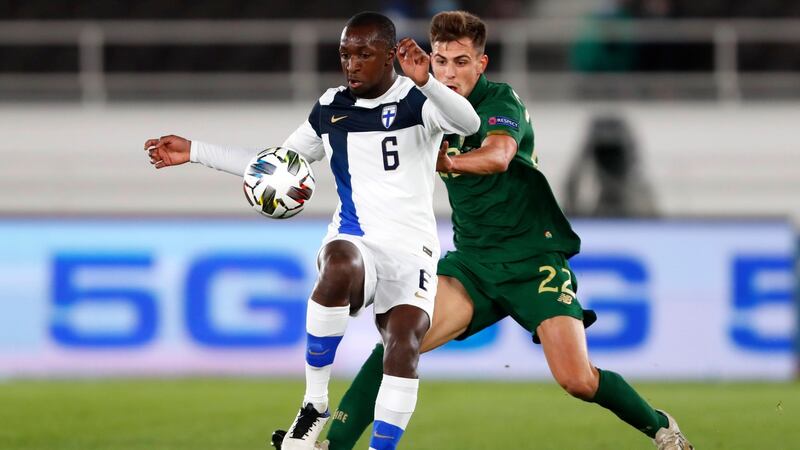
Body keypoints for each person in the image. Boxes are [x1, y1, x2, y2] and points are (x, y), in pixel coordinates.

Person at [278, 10, 693, 450]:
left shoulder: (499, 102)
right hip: (473, 263)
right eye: (440, 61)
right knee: (400, 341)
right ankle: (333, 443)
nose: (449, 72)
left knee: (577, 380)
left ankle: (660, 426)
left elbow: (497, 156)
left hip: (532, 262)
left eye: (460, 62)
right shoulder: (422, 106)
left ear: (481, 64)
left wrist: (448, 161)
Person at [144, 12, 480, 450]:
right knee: (338, 265)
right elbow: (276, 164)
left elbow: (469, 124)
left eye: (364, 54)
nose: (352, 64)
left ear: (390, 57)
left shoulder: (419, 100)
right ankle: (315, 402)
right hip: (356, 236)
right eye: (345, 54)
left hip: (412, 249)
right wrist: (196, 151)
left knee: (403, 344)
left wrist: (428, 82)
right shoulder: (331, 107)